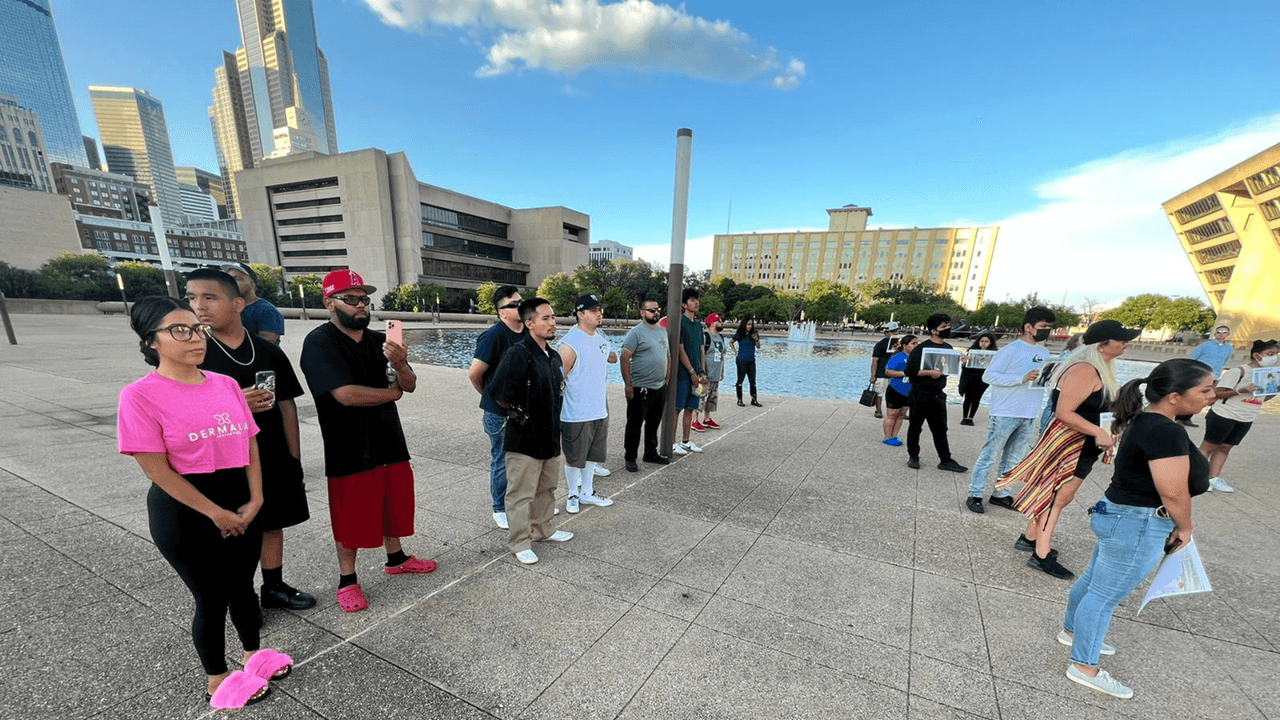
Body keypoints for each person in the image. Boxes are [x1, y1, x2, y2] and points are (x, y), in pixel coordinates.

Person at [118, 297, 292, 710]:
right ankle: (217, 678)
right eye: (179, 330)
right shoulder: (139, 396)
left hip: (242, 500)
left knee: (243, 588)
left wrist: (257, 498)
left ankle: (254, 653)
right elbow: (156, 469)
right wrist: (214, 512)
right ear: (151, 341)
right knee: (211, 597)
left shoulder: (225, 383)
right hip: (185, 512)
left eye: (197, 329)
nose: (195, 338)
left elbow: (249, 442)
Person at [1061, 358, 1215, 699]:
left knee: (1093, 581)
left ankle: (1073, 632)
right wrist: (1185, 527)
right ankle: (1084, 665)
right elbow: (1172, 489)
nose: (1211, 396)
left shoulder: (1144, 419)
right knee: (1104, 595)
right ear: (1174, 396)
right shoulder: (1164, 430)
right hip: (1138, 521)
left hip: (1117, 512)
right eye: (1204, 390)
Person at [299, 269, 436, 613]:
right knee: (351, 516)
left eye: (364, 299)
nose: (361, 306)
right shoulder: (319, 342)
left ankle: (397, 557)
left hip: (389, 439)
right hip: (348, 445)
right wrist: (391, 392)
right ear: (329, 302)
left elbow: (410, 385)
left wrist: (401, 363)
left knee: (393, 502)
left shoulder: (380, 342)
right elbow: (344, 394)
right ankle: (348, 579)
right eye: (351, 299)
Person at [186, 269, 315, 612]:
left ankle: (273, 586)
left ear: (237, 303)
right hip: (219, 458)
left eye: (210, 297)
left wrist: (294, 457)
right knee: (232, 528)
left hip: (270, 450)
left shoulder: (267, 350)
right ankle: (242, 599)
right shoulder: (193, 354)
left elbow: (287, 405)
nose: (200, 306)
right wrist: (236, 402)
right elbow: (180, 412)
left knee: (272, 523)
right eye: (192, 298)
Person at [997, 319, 1139, 579]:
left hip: (1080, 443)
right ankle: (1041, 554)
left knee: (1053, 495)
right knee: (1058, 499)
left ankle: (1030, 537)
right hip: (1071, 445)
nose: (1126, 344)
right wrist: (1098, 431)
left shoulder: (1096, 368)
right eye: (1122, 340)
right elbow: (1063, 412)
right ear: (1103, 345)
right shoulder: (1085, 370)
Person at [487, 298, 575, 564]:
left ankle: (543, 529)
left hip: (549, 434)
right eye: (545, 318)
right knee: (520, 493)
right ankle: (519, 542)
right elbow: (499, 393)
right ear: (529, 323)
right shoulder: (518, 353)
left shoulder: (553, 354)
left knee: (546, 488)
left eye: (553, 317)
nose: (552, 323)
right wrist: (521, 412)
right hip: (524, 435)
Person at [964, 308, 1056, 514]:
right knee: (990, 454)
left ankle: (1001, 493)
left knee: (1015, 457)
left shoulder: (1044, 353)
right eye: (1043, 327)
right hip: (1005, 410)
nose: (1046, 331)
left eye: (1049, 328)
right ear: (1029, 327)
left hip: (1030, 412)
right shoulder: (1010, 350)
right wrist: (1020, 379)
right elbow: (989, 376)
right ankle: (975, 493)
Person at [468, 285, 525, 529]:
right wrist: (491, 397)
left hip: (524, 410)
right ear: (502, 312)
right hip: (499, 414)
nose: (520, 306)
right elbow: (474, 374)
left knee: (525, 460)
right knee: (502, 460)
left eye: (522, 301)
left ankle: (524, 503)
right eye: (514, 304)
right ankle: (499, 508)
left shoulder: (528, 332)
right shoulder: (493, 336)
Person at [558, 293, 617, 513]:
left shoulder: (601, 338)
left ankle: (587, 491)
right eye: (594, 310)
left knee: (594, 454)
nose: (599, 313)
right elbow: (558, 377)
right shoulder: (570, 342)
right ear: (580, 314)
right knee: (575, 457)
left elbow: (610, 358)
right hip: (576, 411)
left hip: (598, 409)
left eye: (600, 309)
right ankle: (573, 493)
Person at [1197, 339, 1280, 492]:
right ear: (1257, 356)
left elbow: (1264, 398)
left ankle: (1213, 478)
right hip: (1224, 414)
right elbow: (1218, 392)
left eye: (1276, 354)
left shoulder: (1269, 375)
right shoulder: (1239, 371)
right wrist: (1240, 391)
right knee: (1209, 446)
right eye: (1270, 354)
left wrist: (1273, 390)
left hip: (1247, 417)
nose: (1274, 357)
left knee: (1225, 448)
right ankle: (1196, 477)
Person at [904, 313, 967, 473]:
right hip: (920, 393)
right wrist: (929, 373)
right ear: (934, 330)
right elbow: (909, 371)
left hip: (938, 394)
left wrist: (960, 362)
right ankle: (913, 456)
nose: (947, 329)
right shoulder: (921, 348)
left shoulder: (948, 348)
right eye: (943, 327)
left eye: (948, 326)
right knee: (915, 427)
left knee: (940, 428)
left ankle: (945, 459)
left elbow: (948, 368)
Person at [621, 298, 670, 472]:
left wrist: (666, 380)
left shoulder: (662, 332)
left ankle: (650, 453)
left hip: (659, 387)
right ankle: (630, 457)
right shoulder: (636, 333)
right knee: (635, 424)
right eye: (651, 310)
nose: (656, 312)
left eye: (657, 309)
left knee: (653, 423)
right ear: (642, 313)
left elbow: (668, 357)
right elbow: (625, 357)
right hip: (640, 387)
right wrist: (628, 384)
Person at [672, 288, 706, 456]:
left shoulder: (698, 325)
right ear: (684, 304)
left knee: (690, 408)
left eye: (696, 299)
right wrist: (692, 372)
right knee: (677, 408)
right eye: (692, 300)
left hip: (696, 374)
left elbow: (701, 349)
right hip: (683, 374)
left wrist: (702, 372)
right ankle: (671, 442)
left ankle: (685, 441)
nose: (696, 302)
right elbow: (680, 349)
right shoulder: (680, 322)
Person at [1178, 325, 1234, 427]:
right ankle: (1180, 418)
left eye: (1224, 332)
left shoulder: (1229, 348)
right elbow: (1192, 358)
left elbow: (1224, 362)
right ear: (1215, 334)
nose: (1221, 334)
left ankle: (1188, 418)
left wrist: (1217, 377)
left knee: (1202, 398)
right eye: (1219, 332)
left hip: (1214, 376)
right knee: (1191, 395)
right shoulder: (1205, 346)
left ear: (1228, 334)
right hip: (1199, 374)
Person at [222, 262, 285, 345]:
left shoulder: (267, 311)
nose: (232, 283)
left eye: (237, 278)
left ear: (252, 283)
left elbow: (267, 345)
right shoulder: (225, 309)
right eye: (230, 279)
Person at [882, 335, 917, 446]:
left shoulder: (917, 358)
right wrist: (904, 373)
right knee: (892, 414)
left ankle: (894, 435)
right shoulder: (898, 357)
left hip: (909, 391)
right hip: (896, 390)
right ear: (905, 346)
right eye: (913, 343)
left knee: (901, 415)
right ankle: (887, 436)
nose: (916, 346)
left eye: (917, 343)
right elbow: (888, 372)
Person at [958, 332, 998, 426]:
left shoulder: (994, 354)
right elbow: (964, 367)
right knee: (967, 398)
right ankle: (964, 417)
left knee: (977, 398)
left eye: (986, 341)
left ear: (990, 343)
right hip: (970, 377)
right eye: (982, 341)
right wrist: (964, 362)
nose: (983, 343)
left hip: (983, 379)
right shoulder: (972, 351)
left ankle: (971, 417)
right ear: (978, 342)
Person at [700, 312, 728, 430]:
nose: (721, 323)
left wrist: (722, 370)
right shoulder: (705, 336)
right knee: (701, 397)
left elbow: (722, 355)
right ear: (712, 323)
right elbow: (702, 354)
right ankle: (694, 420)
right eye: (718, 321)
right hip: (706, 374)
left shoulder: (720, 337)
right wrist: (702, 372)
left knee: (712, 398)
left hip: (716, 373)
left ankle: (707, 418)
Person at [869, 322, 901, 420]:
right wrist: (873, 375)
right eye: (892, 331)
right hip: (882, 373)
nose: (894, 333)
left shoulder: (899, 345)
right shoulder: (881, 344)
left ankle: (894, 411)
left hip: (894, 373)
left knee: (894, 393)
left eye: (895, 331)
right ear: (886, 332)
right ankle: (878, 410)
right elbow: (875, 360)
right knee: (879, 392)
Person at [731, 318, 762, 407]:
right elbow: (731, 342)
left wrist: (756, 339)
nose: (749, 326)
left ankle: (754, 399)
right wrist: (735, 352)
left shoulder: (754, 334)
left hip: (751, 360)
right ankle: (739, 399)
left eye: (751, 324)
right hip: (741, 359)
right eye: (748, 324)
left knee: (753, 380)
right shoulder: (740, 334)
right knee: (740, 380)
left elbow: (759, 346)